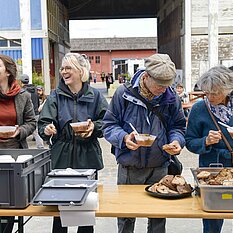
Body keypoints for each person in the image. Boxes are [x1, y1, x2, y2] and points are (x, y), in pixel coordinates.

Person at [102, 53, 186, 233]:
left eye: (168, 85)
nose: (164, 89)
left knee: (158, 218)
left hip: (160, 166)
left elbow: (178, 126)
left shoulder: (171, 98)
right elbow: (108, 125)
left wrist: (176, 141)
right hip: (129, 167)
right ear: (146, 76)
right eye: (160, 85)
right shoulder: (123, 94)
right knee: (126, 217)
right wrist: (124, 138)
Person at [38, 52, 108, 233]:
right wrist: (47, 129)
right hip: (62, 156)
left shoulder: (96, 96)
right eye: (62, 68)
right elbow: (44, 122)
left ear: (81, 71)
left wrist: (94, 128)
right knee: (60, 211)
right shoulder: (55, 96)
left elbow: (107, 122)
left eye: (68, 67)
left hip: (88, 156)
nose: (63, 71)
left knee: (86, 210)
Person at [185, 65, 233, 233]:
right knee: (212, 220)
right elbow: (190, 142)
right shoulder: (199, 109)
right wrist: (205, 141)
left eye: (215, 93)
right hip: (212, 171)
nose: (210, 97)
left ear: (228, 89)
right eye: (207, 93)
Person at [0, 54, 36, 233]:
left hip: (15, 156)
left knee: (11, 204)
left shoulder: (23, 96)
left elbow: (31, 122)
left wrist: (19, 131)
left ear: (7, 72)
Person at [19, 74, 44, 149]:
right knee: (35, 131)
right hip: (36, 113)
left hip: (28, 115)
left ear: (21, 82)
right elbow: (38, 102)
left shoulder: (23, 92)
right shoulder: (35, 90)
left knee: (34, 132)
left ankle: (41, 147)